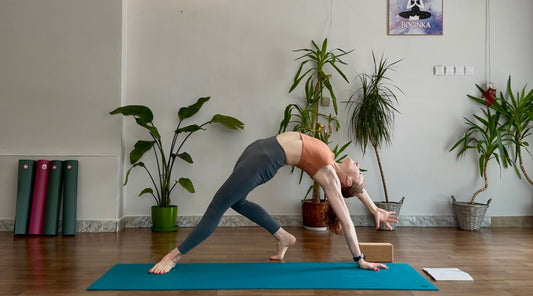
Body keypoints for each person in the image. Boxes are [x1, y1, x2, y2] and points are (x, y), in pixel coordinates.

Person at [149, 132, 399, 274]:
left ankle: (174, 256)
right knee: (236, 201)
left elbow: (346, 220)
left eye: (359, 172)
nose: (358, 166)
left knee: (218, 206)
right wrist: (374, 208)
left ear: (346, 181)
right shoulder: (333, 163)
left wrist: (360, 259)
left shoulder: (331, 178)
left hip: (264, 161)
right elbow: (357, 190)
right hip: (258, 151)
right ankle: (282, 237)